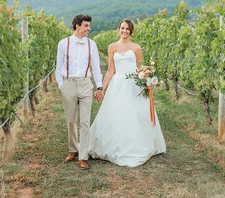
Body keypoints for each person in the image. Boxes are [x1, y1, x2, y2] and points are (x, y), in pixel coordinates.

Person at [88, 19, 166, 167]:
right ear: (119, 29)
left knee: (135, 114)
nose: (124, 31)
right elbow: (111, 70)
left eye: (127, 29)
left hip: (133, 84)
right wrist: (101, 88)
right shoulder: (112, 47)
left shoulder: (136, 47)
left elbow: (141, 68)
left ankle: (138, 145)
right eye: (122, 28)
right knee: (116, 114)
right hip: (118, 83)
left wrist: (146, 81)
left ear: (131, 31)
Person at [55, 14, 104, 170]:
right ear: (77, 26)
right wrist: (62, 85)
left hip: (85, 84)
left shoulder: (92, 45)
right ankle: (73, 150)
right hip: (68, 84)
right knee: (71, 121)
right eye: (86, 26)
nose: (89, 28)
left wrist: (99, 86)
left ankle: (83, 156)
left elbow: (96, 68)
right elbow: (58, 68)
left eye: (89, 25)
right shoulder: (63, 44)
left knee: (84, 121)